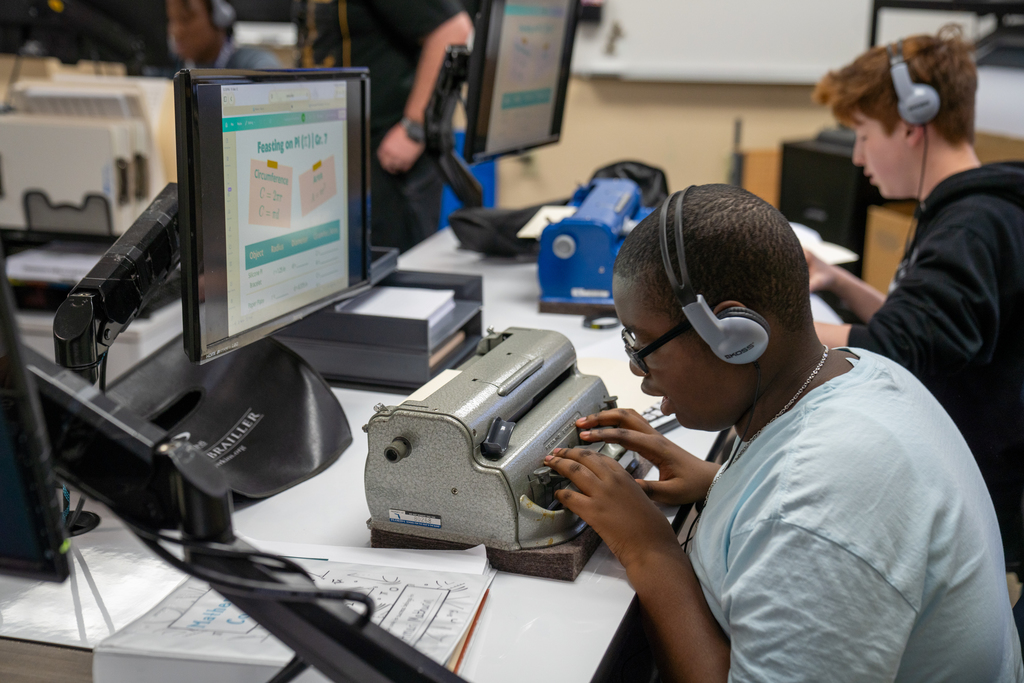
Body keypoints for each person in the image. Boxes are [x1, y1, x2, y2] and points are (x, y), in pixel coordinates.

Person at [543, 184, 1022, 681]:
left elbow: (811, 518)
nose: (639, 370)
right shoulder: (863, 371)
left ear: (735, 336)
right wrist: (722, 481)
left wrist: (649, 549)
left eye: (643, 344)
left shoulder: (812, 508)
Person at [806, 27, 1024, 570]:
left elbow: (899, 345)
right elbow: (928, 323)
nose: (858, 156)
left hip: (978, 491)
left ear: (911, 123)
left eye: (862, 133)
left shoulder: (971, 226)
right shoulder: (970, 212)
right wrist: (838, 282)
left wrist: (760, 326)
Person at [299, 1, 473, 252]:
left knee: (394, 277)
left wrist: (414, 127)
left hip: (388, 157)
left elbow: (453, 31)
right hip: (341, 156)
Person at [167, 0, 282, 69]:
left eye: (186, 19)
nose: (175, 32)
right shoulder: (173, 67)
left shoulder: (253, 63)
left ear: (219, 17)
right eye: (171, 19)